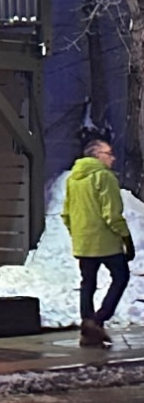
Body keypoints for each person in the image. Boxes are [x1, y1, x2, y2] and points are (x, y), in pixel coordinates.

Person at [61, 134, 135, 347]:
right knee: (121, 277)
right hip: (106, 242)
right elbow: (112, 214)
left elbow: (66, 214)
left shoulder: (73, 179)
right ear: (97, 156)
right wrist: (126, 238)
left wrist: (77, 234)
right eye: (109, 154)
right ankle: (99, 319)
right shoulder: (104, 177)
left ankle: (87, 324)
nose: (113, 158)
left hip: (83, 242)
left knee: (88, 283)